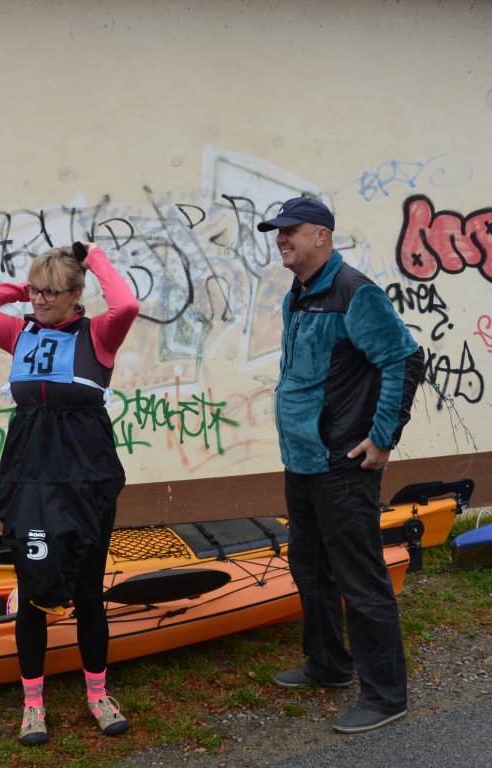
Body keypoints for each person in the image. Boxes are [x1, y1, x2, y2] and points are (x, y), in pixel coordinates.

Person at [0, 241, 139, 745]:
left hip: (86, 473)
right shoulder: (20, 332)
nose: (39, 300)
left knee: (88, 592)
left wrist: (95, 257)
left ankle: (98, 695)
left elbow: (126, 305)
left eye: (51, 293)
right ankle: (33, 704)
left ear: (77, 295)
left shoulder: (98, 334)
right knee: (33, 589)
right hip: (30, 472)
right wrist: (24, 288)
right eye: (35, 291)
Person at [258, 197, 424, 734]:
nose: (281, 239)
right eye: (277, 231)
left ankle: (385, 696)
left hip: (342, 465)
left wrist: (383, 438)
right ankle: (329, 664)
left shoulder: (354, 292)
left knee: (362, 580)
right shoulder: (301, 292)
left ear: (322, 236)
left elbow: (404, 358)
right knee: (310, 568)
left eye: (291, 230)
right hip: (302, 460)